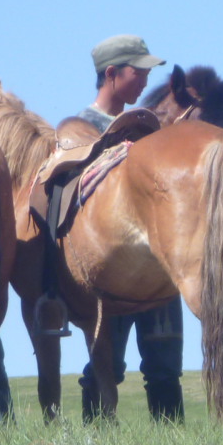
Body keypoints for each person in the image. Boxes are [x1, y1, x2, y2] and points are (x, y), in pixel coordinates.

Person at [74, 35, 186, 420]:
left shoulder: (155, 129)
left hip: (158, 262)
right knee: (106, 367)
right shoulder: (79, 131)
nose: (144, 81)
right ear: (111, 74)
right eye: (137, 72)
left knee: (165, 370)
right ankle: (95, 444)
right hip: (111, 266)